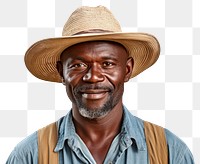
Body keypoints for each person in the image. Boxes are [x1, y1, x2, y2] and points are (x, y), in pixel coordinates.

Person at [6, 6, 194, 164]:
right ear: (61, 72)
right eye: (78, 65)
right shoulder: (30, 155)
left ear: (127, 70)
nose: (93, 77)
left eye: (107, 64)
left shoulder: (170, 152)